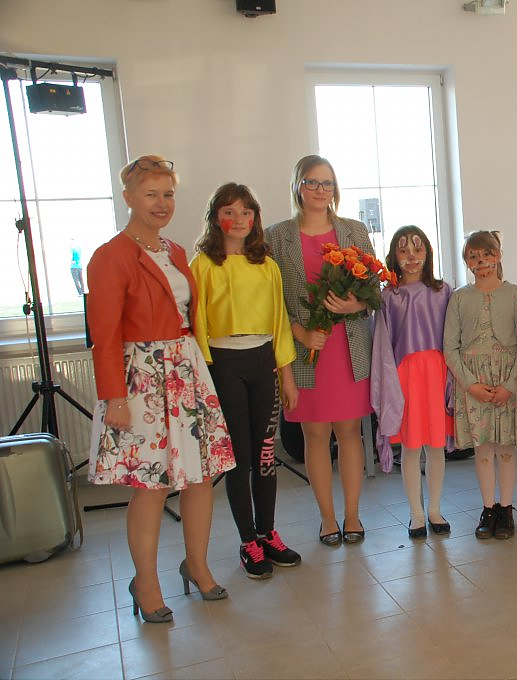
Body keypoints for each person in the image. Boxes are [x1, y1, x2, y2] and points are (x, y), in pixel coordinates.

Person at [87, 155, 235, 623]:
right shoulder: (110, 256)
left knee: (201, 477)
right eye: (151, 194)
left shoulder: (174, 250)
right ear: (128, 197)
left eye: (168, 193)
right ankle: (146, 583)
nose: (161, 203)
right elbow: (104, 335)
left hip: (184, 370)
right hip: (142, 379)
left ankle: (197, 565)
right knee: (151, 484)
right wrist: (114, 397)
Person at [191, 182, 301, 579]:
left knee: (265, 456)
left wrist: (287, 377)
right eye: (229, 212)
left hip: (263, 362)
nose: (238, 219)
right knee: (238, 458)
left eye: (246, 212)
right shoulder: (203, 265)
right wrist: (205, 379)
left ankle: (268, 532)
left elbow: (280, 323)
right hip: (223, 365)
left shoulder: (266, 265)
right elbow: (196, 324)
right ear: (215, 218)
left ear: (255, 218)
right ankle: (247, 540)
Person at [265, 155, 373, 546]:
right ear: (298, 186)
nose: (319, 190)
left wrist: (355, 304)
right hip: (305, 349)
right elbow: (270, 300)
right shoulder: (276, 236)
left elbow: (374, 289)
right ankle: (327, 518)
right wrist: (300, 332)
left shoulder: (354, 231)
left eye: (326, 183)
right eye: (311, 182)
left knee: (349, 433)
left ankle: (353, 515)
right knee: (315, 435)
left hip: (348, 347)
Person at [444, 230, 517, 540]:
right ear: (467, 261)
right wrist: (470, 385)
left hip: (506, 380)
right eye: (473, 256)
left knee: (505, 449)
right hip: (473, 383)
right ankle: (488, 508)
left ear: (498, 256)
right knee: (483, 449)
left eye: (486, 254)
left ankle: (506, 509)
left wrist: (511, 384)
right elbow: (450, 348)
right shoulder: (459, 297)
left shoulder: (515, 294)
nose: (481, 260)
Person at [372, 225, 453, 539]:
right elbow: (383, 343)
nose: (411, 257)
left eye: (418, 250)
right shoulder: (388, 296)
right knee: (410, 446)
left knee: (435, 446)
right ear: (394, 256)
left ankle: (434, 509)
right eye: (403, 251)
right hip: (405, 377)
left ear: (428, 253)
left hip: (437, 374)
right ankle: (416, 513)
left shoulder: (443, 291)